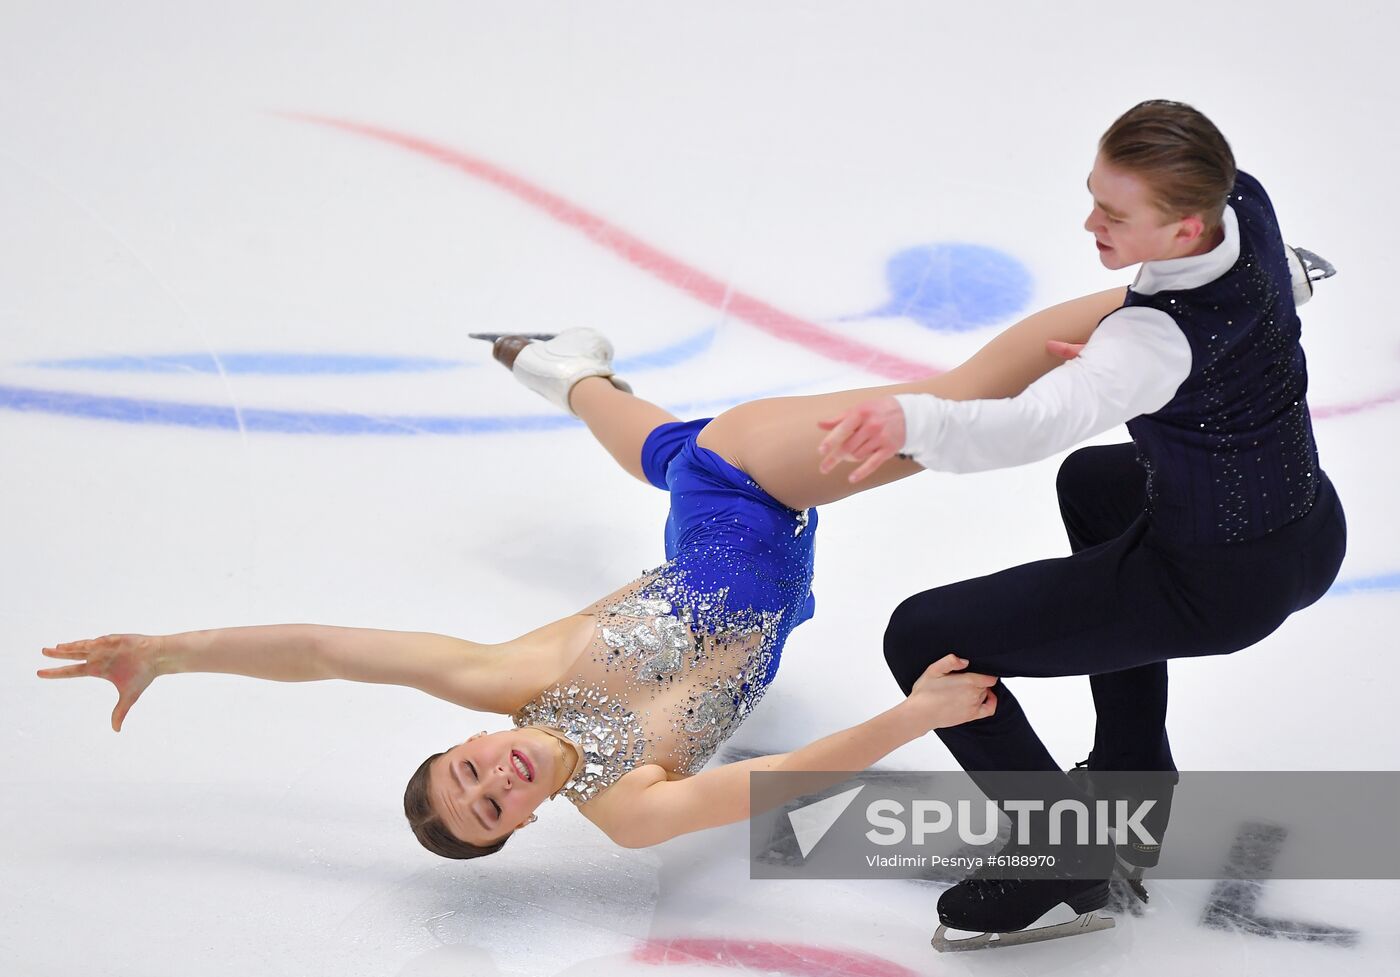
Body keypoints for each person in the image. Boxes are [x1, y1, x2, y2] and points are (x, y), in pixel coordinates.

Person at [35, 286, 1132, 860]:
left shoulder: (505, 675)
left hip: (747, 478)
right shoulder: (629, 806)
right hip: (742, 531)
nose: (490, 779)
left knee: (966, 405)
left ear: (464, 741)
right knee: (670, 457)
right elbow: (783, 778)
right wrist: (910, 717)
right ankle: (565, 369)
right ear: (517, 826)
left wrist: (169, 651)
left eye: (463, 774)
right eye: (487, 810)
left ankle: (1196, 292)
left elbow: (325, 651)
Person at [818, 99, 1346, 950]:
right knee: (1097, 487)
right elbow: (1277, 288)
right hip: (1310, 528)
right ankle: (1135, 771)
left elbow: (1030, 425)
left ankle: (1064, 854)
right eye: (1093, 195)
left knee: (923, 634)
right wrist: (1126, 358)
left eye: (1114, 213)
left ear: (1182, 230)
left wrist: (908, 422)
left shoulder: (1150, 341)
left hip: (1213, 586)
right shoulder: (1246, 204)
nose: (1089, 221)